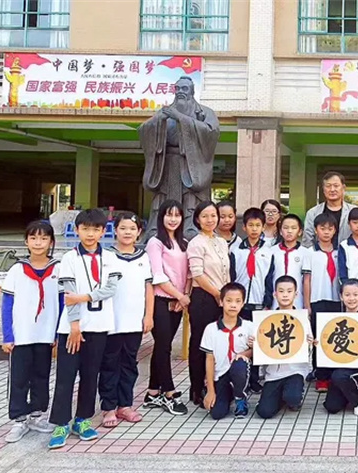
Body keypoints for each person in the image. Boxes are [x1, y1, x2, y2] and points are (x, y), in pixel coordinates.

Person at [49, 209, 122, 449]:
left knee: (91, 375)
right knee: (66, 376)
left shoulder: (110, 257)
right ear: (77, 230)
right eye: (85, 229)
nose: (90, 234)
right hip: (72, 328)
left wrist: (84, 297)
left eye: (96, 229)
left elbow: (110, 289)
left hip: (99, 327)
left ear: (103, 232)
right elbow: (68, 294)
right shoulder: (69, 258)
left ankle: (82, 420)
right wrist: (74, 326)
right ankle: (61, 423)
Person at [138, 76, 220, 240]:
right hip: (167, 163)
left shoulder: (204, 112)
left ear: (192, 91)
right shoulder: (165, 112)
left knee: (191, 197)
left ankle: (191, 228)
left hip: (192, 165)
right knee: (163, 197)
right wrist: (158, 121)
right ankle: (158, 229)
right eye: (178, 88)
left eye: (184, 89)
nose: (180, 92)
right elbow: (143, 129)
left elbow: (211, 132)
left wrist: (181, 118)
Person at [1, 221, 62, 443]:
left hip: (45, 335)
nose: (38, 243)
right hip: (21, 335)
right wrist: (8, 336)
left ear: (51, 242)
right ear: (26, 241)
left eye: (44, 238)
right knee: (19, 378)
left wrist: (57, 333)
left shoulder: (58, 269)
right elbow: (7, 304)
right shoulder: (17, 270)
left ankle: (37, 415)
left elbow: (62, 303)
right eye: (33, 238)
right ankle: (19, 419)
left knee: (41, 375)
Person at [99, 212, 154, 428]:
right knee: (109, 363)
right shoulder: (106, 256)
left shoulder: (143, 257)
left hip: (134, 322)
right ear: (115, 230)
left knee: (130, 363)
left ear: (139, 232)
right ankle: (108, 407)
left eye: (132, 228)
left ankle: (125, 405)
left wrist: (148, 315)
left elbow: (149, 288)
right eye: (123, 228)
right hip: (110, 322)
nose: (127, 232)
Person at [144, 199, 190, 415]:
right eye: (168, 214)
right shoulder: (155, 243)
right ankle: (169, 393)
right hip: (160, 301)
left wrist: (183, 296)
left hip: (177, 302)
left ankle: (153, 392)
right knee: (164, 347)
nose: (173, 219)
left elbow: (188, 274)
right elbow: (157, 275)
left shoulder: (184, 243)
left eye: (177, 215)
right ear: (161, 217)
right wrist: (180, 296)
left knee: (163, 346)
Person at [186, 200, 231, 406]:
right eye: (205, 216)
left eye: (213, 215)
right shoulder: (196, 243)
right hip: (203, 298)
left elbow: (226, 272)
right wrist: (217, 294)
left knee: (218, 342)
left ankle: (215, 384)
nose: (210, 220)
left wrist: (227, 295)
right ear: (197, 219)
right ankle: (196, 388)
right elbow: (197, 274)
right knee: (200, 343)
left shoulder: (221, 241)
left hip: (221, 298)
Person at [255, 276, 315, 419]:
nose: (285, 295)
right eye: (281, 291)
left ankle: (293, 396)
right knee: (264, 412)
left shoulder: (302, 318)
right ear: (275, 294)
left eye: (289, 291)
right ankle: (279, 397)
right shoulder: (266, 319)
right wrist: (254, 343)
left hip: (295, 371)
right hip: (273, 374)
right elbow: (263, 346)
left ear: (296, 294)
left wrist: (310, 343)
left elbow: (308, 348)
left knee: (293, 398)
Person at [229, 207, 271, 393]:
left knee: (257, 341)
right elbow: (231, 276)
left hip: (260, 303)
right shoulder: (235, 250)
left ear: (263, 227)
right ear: (244, 227)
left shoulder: (269, 251)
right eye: (251, 225)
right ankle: (240, 377)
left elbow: (270, 277)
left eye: (258, 225)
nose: (254, 229)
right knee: (243, 340)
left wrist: (268, 301)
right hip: (240, 304)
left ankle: (255, 379)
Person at [321, 280, 358, 416]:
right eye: (347, 295)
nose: (351, 299)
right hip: (339, 365)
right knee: (331, 407)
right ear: (341, 296)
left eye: (355, 294)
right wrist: (318, 343)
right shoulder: (333, 320)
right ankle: (348, 391)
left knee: (339, 376)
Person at [201, 283, 255, 420]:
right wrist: (210, 391)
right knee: (216, 414)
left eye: (238, 301)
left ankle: (240, 398)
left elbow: (257, 350)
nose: (233, 305)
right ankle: (229, 393)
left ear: (243, 304)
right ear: (221, 302)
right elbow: (209, 359)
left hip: (240, 371)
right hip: (220, 375)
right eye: (229, 301)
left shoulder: (249, 327)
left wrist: (247, 352)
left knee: (239, 363)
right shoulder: (211, 329)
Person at [303, 213, 341, 392]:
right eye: (322, 228)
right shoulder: (310, 252)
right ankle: (321, 376)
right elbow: (307, 280)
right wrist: (307, 305)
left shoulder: (340, 251)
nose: (326, 232)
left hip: (337, 300)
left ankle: (334, 373)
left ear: (335, 230)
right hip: (317, 300)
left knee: (335, 337)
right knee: (319, 339)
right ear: (316, 230)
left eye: (330, 229)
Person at [264, 214, 309, 310]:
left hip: (298, 301)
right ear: (280, 231)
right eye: (285, 228)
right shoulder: (271, 251)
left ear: (300, 232)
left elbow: (306, 281)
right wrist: (267, 303)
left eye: (293, 228)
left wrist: (307, 305)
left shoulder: (305, 253)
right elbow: (268, 278)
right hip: (275, 300)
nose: (289, 231)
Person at [303, 172, 357, 249]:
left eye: (336, 186)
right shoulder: (313, 213)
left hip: (348, 255)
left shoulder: (353, 211)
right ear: (323, 189)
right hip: (319, 255)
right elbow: (307, 240)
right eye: (328, 186)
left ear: (343, 188)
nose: (332, 189)